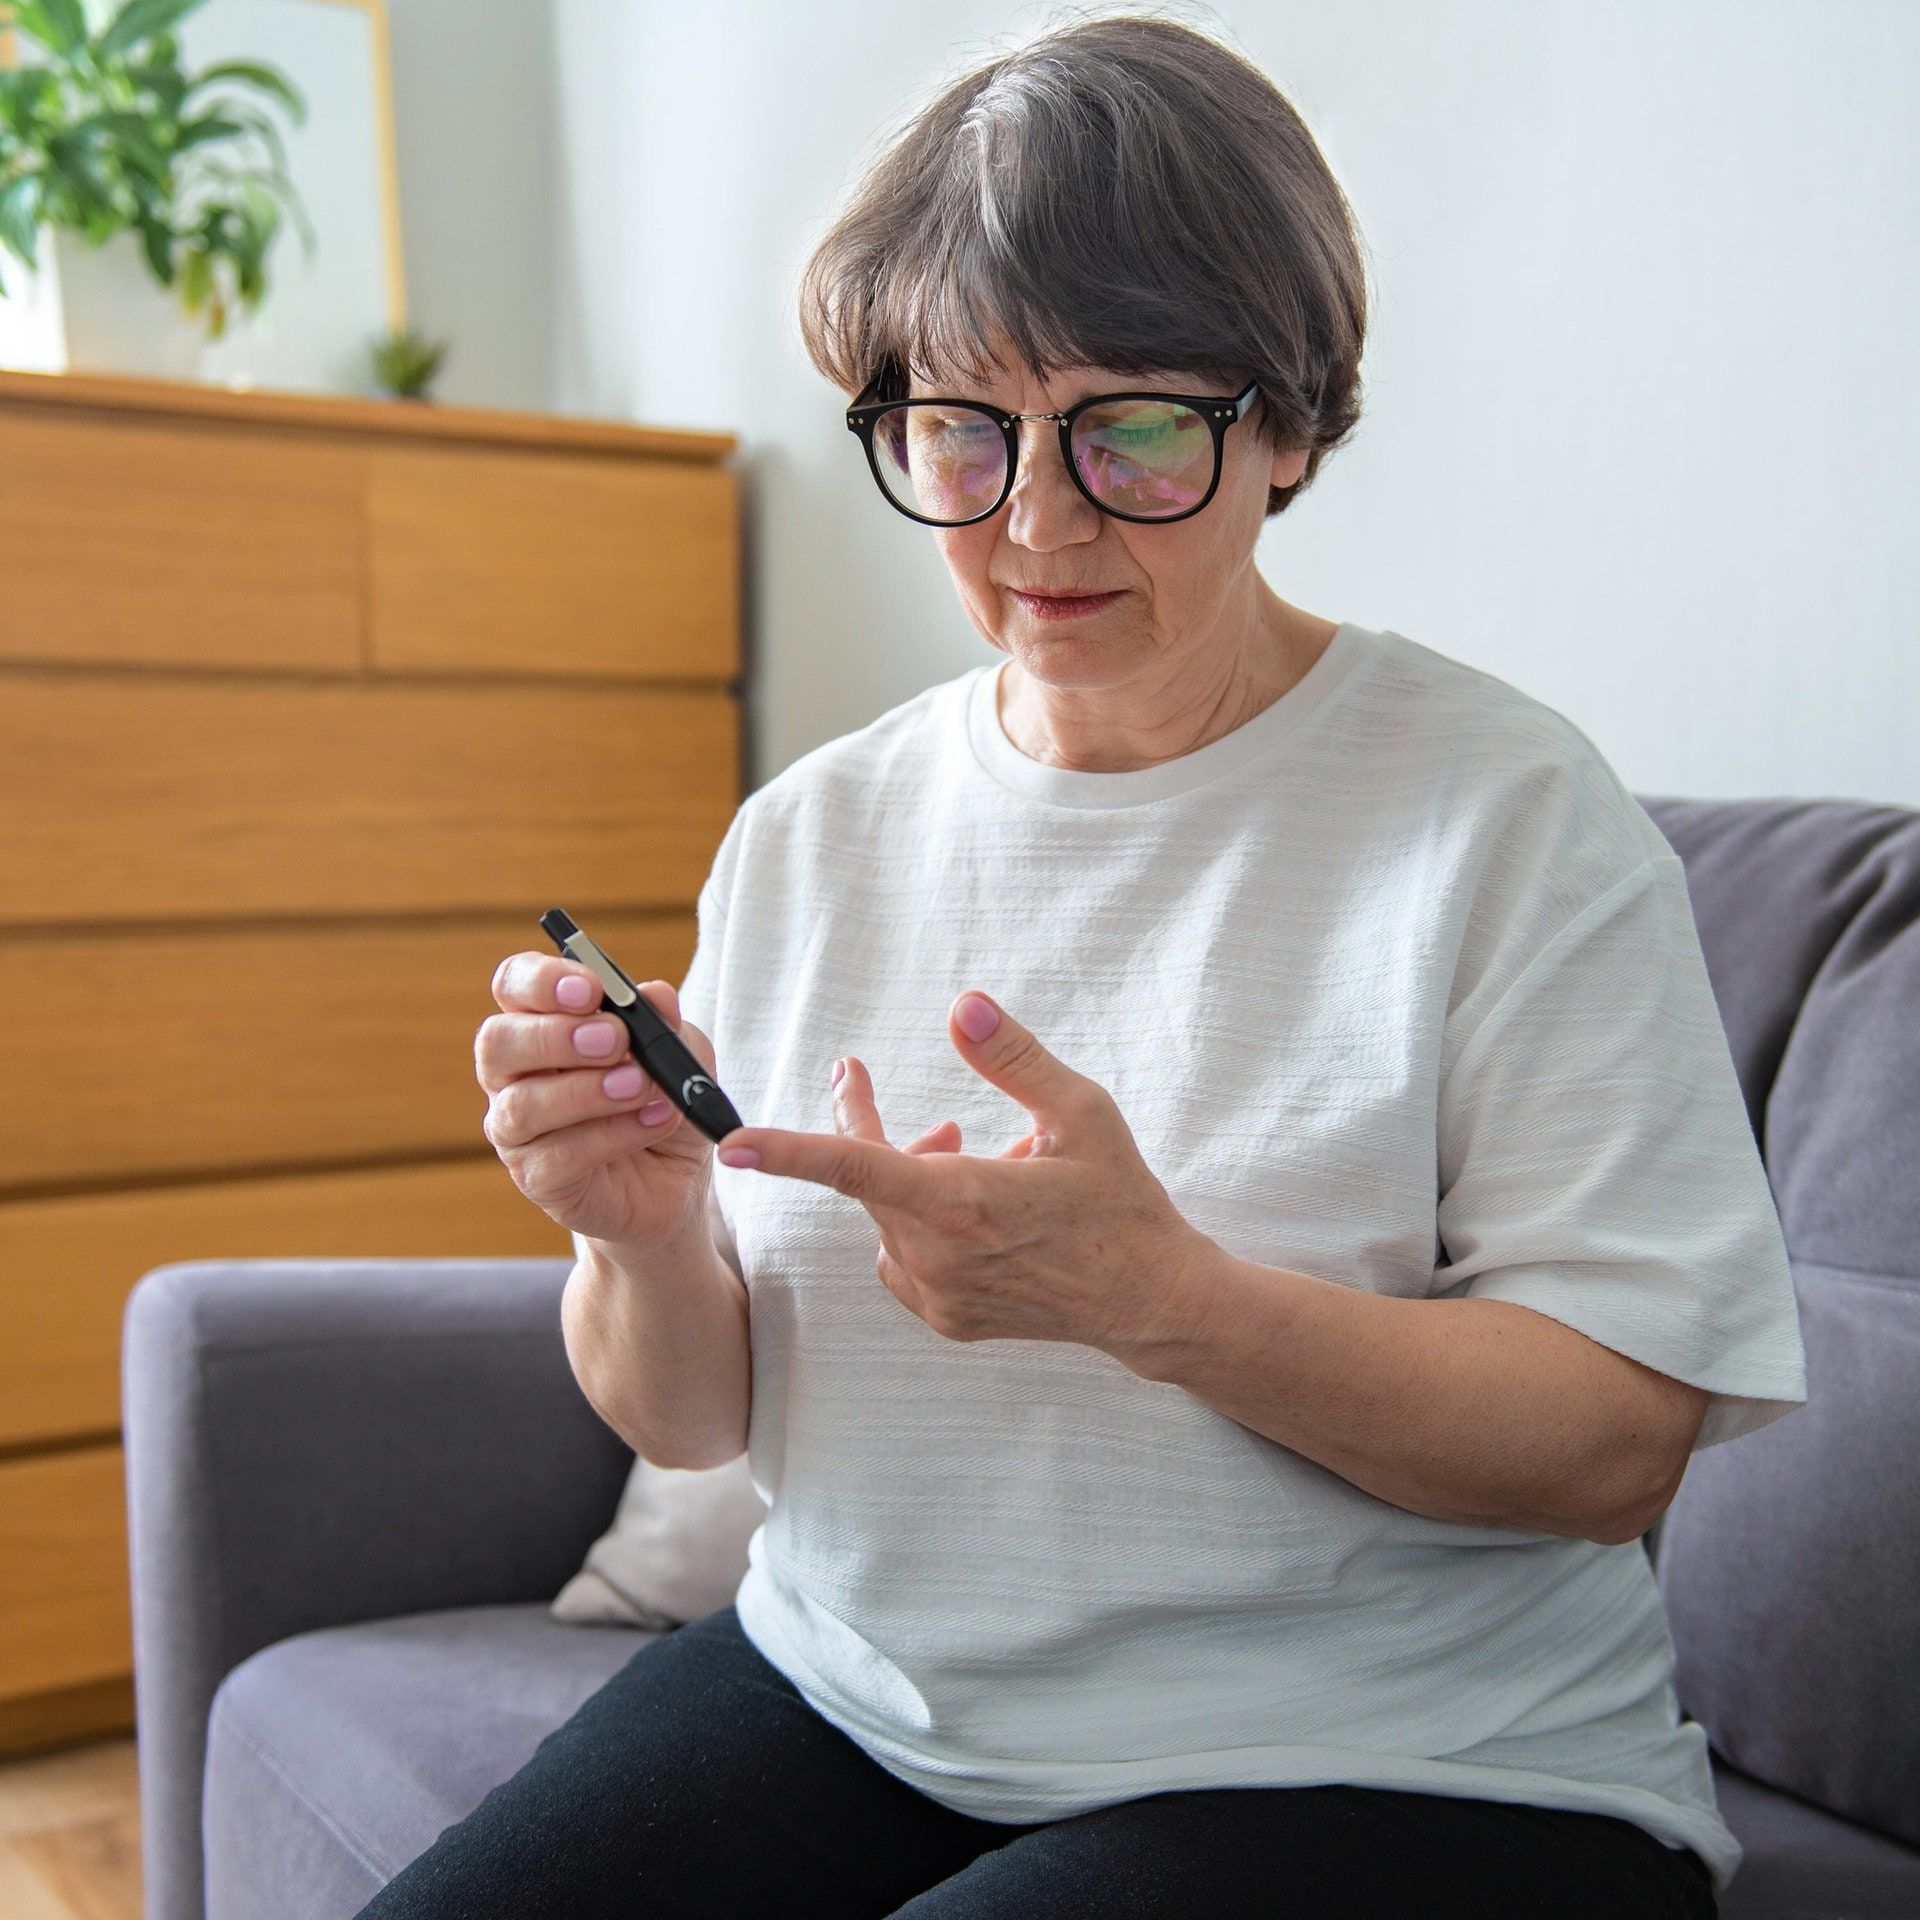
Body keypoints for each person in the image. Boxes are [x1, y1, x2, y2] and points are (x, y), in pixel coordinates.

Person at [388, 13, 1808, 1917]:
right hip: (857, 1701)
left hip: (1417, 1768)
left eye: (1132, 430)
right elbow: (696, 1417)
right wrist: (632, 1228)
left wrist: (1168, 1302)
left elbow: (1618, 1448)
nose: (1035, 522)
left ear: (1288, 425)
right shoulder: (810, 830)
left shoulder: (1507, 818)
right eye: (961, 433)